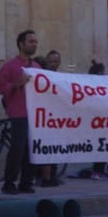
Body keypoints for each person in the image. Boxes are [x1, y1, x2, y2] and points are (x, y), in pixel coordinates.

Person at [0, 29, 42, 194]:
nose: (34, 44)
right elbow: (1, 88)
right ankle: (9, 183)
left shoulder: (37, 67)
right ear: (21, 44)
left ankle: (26, 182)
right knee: (17, 148)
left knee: (31, 149)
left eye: (36, 41)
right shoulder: (9, 66)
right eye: (31, 41)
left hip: (35, 115)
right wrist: (18, 83)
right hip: (18, 113)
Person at [38, 50, 64, 187]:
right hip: (44, 118)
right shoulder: (42, 77)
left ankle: (52, 176)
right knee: (46, 149)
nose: (54, 64)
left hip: (57, 119)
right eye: (51, 61)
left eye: (56, 61)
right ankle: (45, 177)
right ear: (47, 62)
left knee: (54, 149)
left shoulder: (60, 77)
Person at [87, 60, 108, 180]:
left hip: (99, 120)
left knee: (100, 146)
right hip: (100, 121)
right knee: (102, 146)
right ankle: (98, 171)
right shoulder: (99, 86)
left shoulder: (89, 85)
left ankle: (97, 170)